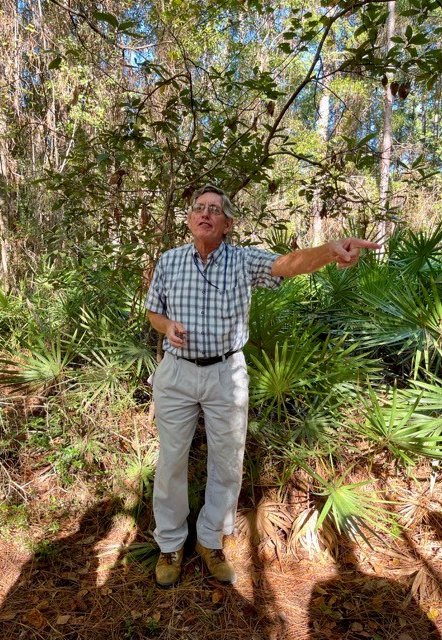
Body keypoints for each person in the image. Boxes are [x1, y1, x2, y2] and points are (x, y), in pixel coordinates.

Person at [145, 184, 380, 588]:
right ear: (189, 218)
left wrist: (329, 250)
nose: (205, 214)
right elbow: (154, 311)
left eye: (214, 210)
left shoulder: (242, 260)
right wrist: (167, 326)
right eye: (199, 208)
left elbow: (289, 264)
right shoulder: (169, 261)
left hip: (226, 374)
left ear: (227, 223)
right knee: (171, 462)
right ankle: (169, 544)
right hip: (177, 372)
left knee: (227, 462)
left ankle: (210, 540)